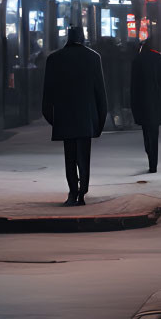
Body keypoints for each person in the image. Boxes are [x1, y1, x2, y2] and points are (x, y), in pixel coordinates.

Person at [41, 24, 107, 206]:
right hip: (86, 116)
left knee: (69, 156)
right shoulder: (93, 58)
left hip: (65, 116)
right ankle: (83, 191)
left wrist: (53, 119)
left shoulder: (54, 59)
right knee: (83, 156)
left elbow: (48, 93)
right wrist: (100, 121)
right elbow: (100, 92)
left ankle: (72, 191)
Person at [129, 35, 161, 173]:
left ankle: (150, 154)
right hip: (159, 100)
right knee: (154, 132)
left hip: (142, 100)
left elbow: (134, 86)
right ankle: (153, 162)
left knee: (146, 130)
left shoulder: (138, 60)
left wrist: (133, 104)